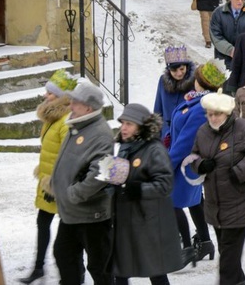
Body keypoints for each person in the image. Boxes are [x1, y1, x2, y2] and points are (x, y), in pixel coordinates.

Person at [191, 90, 245, 285]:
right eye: (210, 114)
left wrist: (240, 171)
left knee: (227, 265)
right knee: (227, 255)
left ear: (227, 113)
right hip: (215, 206)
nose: (213, 118)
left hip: (238, 204)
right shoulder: (203, 131)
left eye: (218, 114)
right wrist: (200, 165)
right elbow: (193, 156)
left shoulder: (243, 129)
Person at [111, 104, 184, 285]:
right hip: (126, 220)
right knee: (121, 270)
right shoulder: (125, 147)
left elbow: (165, 185)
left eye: (129, 124)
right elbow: (119, 178)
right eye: (123, 123)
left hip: (147, 221)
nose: (124, 128)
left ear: (141, 127)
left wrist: (139, 189)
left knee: (156, 271)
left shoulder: (154, 150)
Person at [51, 81, 114, 285]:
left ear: (88, 107)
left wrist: (74, 193)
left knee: (99, 268)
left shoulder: (101, 133)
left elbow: (103, 173)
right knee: (63, 255)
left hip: (91, 215)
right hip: (72, 213)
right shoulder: (78, 125)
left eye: (75, 102)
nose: (70, 106)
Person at [19, 70, 78, 284]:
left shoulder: (66, 120)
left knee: (71, 227)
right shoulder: (51, 117)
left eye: (51, 93)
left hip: (59, 184)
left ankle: (77, 271)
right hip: (47, 180)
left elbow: (67, 155)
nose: (46, 96)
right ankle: (38, 267)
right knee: (43, 222)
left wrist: (57, 185)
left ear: (62, 96)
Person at [169, 60, 226, 265]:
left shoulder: (201, 107)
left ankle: (186, 247)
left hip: (185, 164)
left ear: (201, 82)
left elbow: (186, 141)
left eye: (197, 77)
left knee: (172, 201)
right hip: (183, 160)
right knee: (194, 201)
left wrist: (167, 161)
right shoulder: (194, 101)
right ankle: (205, 242)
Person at [154, 46, 196, 146]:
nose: (179, 73)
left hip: (185, 134)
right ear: (169, 70)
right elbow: (158, 110)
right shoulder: (163, 81)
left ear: (186, 66)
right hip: (165, 135)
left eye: (182, 69)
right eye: (174, 70)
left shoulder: (194, 82)